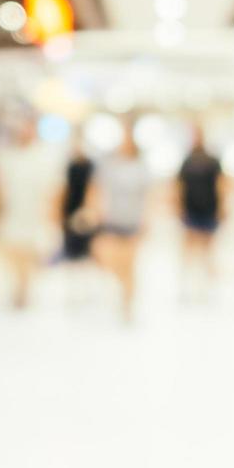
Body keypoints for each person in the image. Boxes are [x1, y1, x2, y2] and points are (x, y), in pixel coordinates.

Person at [0, 115, 61, 309]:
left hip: (35, 215)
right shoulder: (5, 156)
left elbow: (53, 191)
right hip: (11, 213)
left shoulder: (44, 156)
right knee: (12, 254)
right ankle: (17, 289)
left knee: (29, 255)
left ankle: (24, 291)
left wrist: (52, 219)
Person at [91, 125, 150, 322]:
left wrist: (146, 220)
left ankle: (127, 303)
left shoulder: (140, 168)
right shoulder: (110, 166)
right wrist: (96, 212)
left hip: (132, 220)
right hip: (112, 220)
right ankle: (118, 295)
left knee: (129, 265)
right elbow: (98, 190)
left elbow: (147, 196)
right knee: (110, 260)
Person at [177, 128, 225, 300]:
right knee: (188, 249)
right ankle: (186, 286)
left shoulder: (213, 161)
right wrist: (178, 206)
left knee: (207, 250)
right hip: (191, 209)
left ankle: (207, 288)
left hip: (208, 208)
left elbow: (221, 184)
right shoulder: (187, 161)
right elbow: (179, 186)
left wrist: (222, 207)